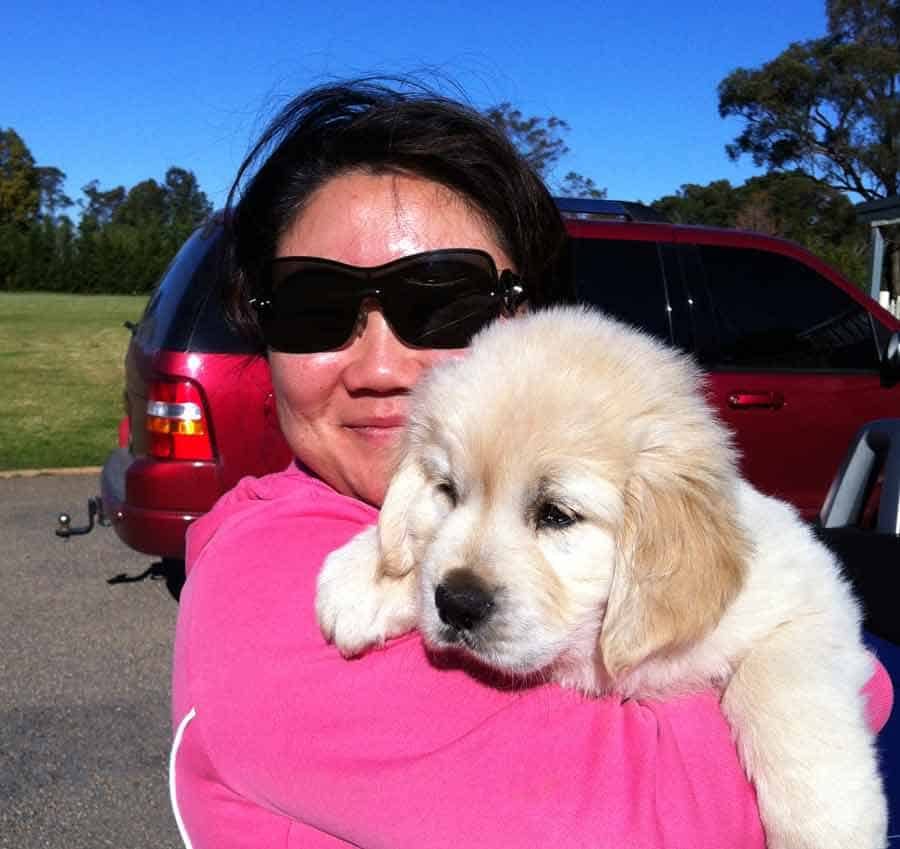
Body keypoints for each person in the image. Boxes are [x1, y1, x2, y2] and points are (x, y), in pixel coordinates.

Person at [169, 79, 893, 849]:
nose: (379, 367)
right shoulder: (262, 591)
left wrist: (796, 683)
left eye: (443, 301)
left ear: (525, 312)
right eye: (312, 305)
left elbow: (797, 618)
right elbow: (643, 821)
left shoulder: (656, 484)